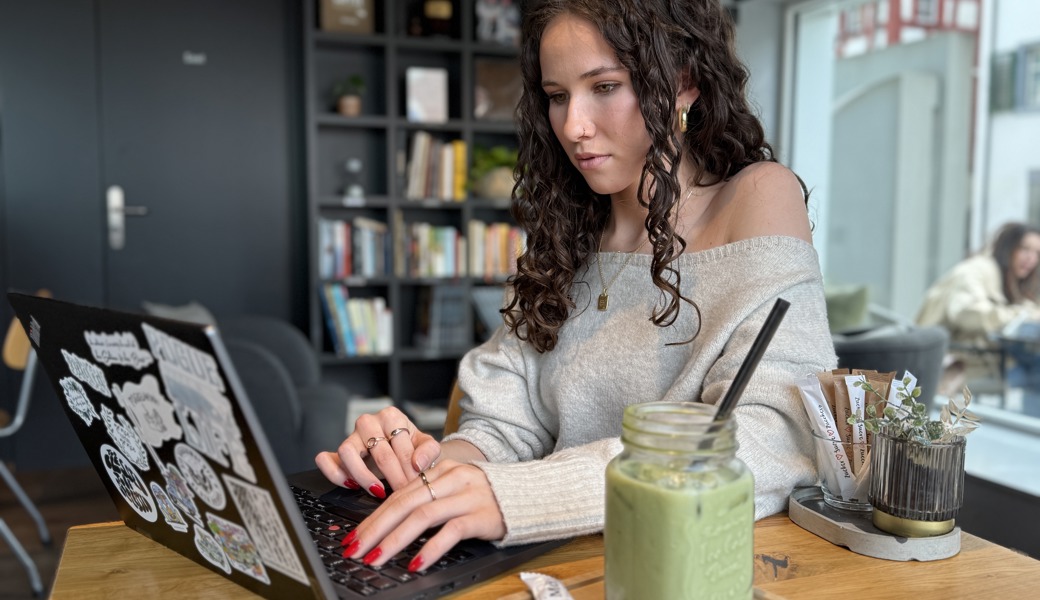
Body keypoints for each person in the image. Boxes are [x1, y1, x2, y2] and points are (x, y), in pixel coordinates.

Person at [315, 0, 836, 572]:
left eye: (605, 86)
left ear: (684, 82)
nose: (573, 126)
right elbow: (505, 423)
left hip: (687, 568)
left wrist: (520, 497)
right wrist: (427, 467)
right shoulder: (568, 233)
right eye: (558, 96)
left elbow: (775, 440)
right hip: (548, 567)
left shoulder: (758, 196)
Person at [917, 221, 1040, 390]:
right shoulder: (976, 269)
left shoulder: (1012, 281)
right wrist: (1020, 314)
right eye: (1025, 249)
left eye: (1037, 253)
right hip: (953, 367)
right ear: (1008, 248)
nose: (1031, 259)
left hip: (988, 363)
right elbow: (967, 313)